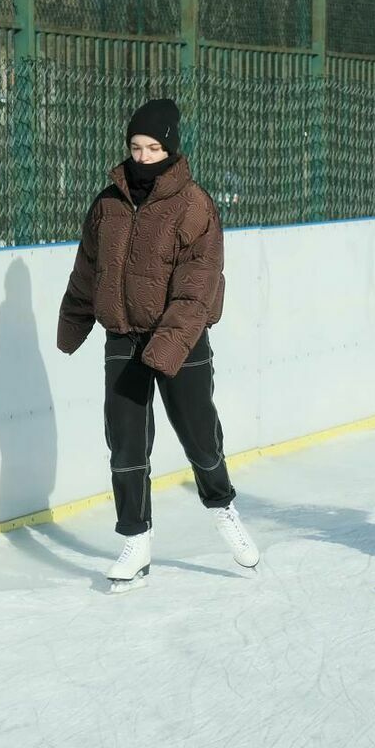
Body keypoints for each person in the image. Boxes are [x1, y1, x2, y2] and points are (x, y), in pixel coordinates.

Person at [56, 98, 258, 591]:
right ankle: (135, 541)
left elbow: (198, 287)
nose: (142, 156)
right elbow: (89, 268)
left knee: (200, 439)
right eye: (135, 146)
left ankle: (223, 506)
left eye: (152, 147)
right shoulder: (107, 203)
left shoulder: (194, 205)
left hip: (181, 341)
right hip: (122, 336)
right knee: (125, 444)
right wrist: (73, 321)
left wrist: (166, 349)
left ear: (170, 148)